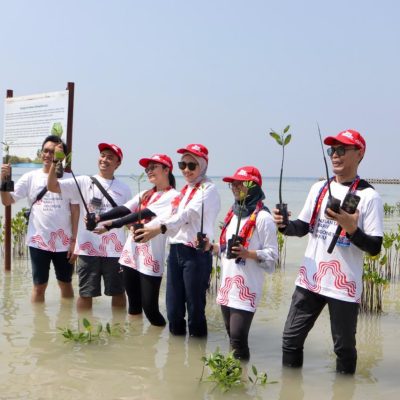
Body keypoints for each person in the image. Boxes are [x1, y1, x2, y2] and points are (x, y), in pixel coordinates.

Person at [273, 129, 383, 374]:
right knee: (290, 340)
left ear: (359, 153)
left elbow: (374, 247)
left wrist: (352, 229)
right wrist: (283, 226)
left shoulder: (368, 196)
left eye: (342, 150)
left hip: (343, 286)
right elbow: (301, 227)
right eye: (332, 150)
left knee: (343, 349)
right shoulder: (319, 188)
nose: (335, 155)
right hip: (310, 279)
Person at [135, 144, 221, 337]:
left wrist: (158, 229)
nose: (186, 170)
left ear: (203, 166)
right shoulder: (184, 191)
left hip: (196, 255)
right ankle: (175, 360)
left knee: (195, 310)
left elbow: (187, 215)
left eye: (192, 165)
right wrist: (145, 226)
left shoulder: (208, 189)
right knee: (173, 309)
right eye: (183, 165)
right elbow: (170, 214)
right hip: (175, 252)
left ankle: (196, 359)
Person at [93, 154, 179, 326]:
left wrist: (110, 225)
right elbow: (125, 209)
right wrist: (99, 217)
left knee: (150, 309)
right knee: (133, 305)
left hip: (151, 257)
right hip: (130, 254)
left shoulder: (173, 196)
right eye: (147, 169)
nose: (149, 171)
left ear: (167, 170)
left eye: (153, 167)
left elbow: (144, 214)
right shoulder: (145, 193)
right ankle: (135, 341)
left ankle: (160, 343)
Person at [47, 142, 131, 310]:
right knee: (86, 293)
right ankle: (84, 332)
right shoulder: (84, 181)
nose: (104, 160)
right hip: (87, 249)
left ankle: (120, 331)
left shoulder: (125, 188)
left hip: (114, 251)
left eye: (110, 157)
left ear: (118, 163)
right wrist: (56, 163)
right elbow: (52, 186)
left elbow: (128, 219)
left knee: (119, 292)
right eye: (102, 156)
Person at [206, 166, 278, 360]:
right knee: (231, 336)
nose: (235, 187)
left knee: (238, 338)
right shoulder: (233, 214)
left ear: (253, 186)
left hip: (247, 287)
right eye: (233, 184)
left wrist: (248, 253)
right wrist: (211, 247)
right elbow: (225, 250)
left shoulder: (264, 218)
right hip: (228, 285)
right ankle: (235, 379)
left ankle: (241, 384)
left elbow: (272, 257)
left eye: (240, 183)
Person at [0, 135, 79, 303]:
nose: (48, 155)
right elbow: (7, 201)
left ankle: (66, 322)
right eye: (46, 151)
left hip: (63, 243)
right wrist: (3, 181)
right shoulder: (30, 177)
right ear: (41, 153)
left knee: (65, 283)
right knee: (39, 286)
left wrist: (74, 240)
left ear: (62, 156)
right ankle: (38, 327)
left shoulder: (70, 179)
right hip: (38, 241)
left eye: (54, 152)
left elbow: (75, 210)